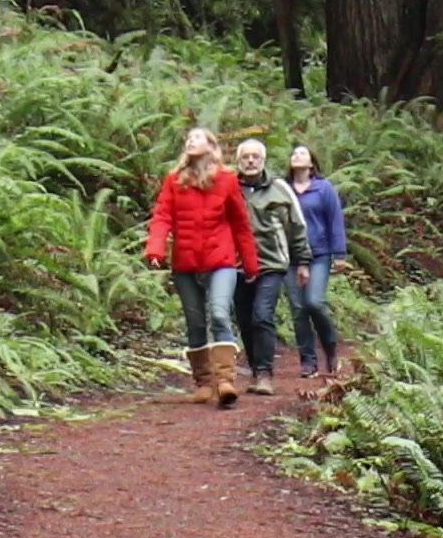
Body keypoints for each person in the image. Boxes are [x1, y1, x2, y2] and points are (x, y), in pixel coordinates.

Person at [144, 127, 257, 408]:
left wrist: (251, 263)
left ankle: (225, 381)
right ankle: (204, 382)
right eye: (188, 139)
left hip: (221, 260)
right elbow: (162, 217)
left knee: (219, 313)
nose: (190, 141)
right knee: (195, 323)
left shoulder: (227, 180)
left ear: (211, 146)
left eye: (197, 137)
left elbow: (241, 224)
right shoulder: (174, 180)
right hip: (186, 262)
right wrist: (155, 248)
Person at [232, 140, 306, 397]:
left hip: (271, 264)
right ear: (238, 161)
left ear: (263, 160)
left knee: (262, 315)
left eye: (255, 157)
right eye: (246, 157)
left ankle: (265, 373)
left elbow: (297, 226)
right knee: (244, 319)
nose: (250, 161)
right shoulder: (229, 188)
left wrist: (303, 261)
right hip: (237, 265)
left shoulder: (280, 189)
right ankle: (255, 369)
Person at [285, 145, 349, 384]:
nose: (297, 156)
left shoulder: (324, 189)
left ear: (312, 162)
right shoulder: (284, 189)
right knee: (298, 309)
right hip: (290, 257)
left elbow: (335, 221)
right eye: (294, 154)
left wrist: (339, 254)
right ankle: (308, 361)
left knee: (314, 302)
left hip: (319, 254)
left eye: (302, 153)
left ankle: (330, 349)